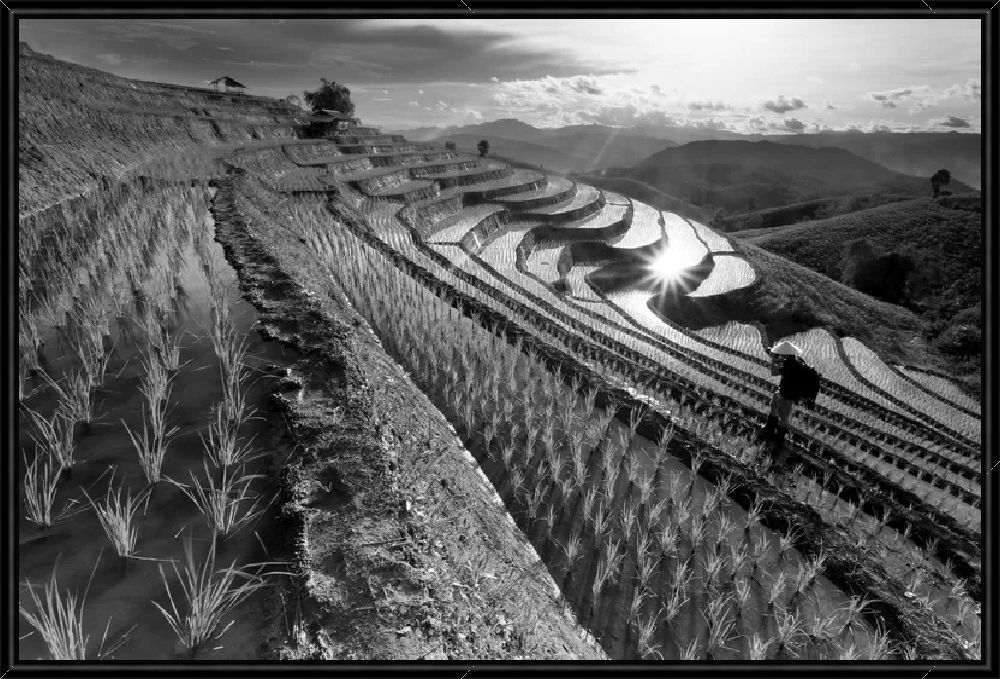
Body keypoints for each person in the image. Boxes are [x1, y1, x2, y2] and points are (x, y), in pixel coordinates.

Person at [758, 340, 818, 470]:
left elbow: (774, 372)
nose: (779, 355)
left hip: (788, 394)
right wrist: (775, 359)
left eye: (781, 353)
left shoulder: (789, 364)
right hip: (785, 391)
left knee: (784, 415)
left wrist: (773, 359)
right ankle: (770, 428)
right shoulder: (794, 361)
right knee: (774, 404)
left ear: (785, 354)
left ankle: (779, 437)